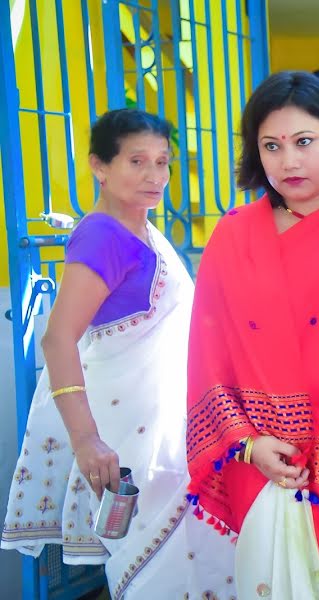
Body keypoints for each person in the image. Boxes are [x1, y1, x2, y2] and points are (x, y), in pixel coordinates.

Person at [185, 71, 319, 600]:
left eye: (303, 142)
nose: (289, 161)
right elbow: (207, 358)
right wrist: (248, 443)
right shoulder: (234, 235)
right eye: (272, 146)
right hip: (265, 455)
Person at [1, 109, 234, 598]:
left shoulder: (144, 231)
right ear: (99, 167)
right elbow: (58, 338)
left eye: (163, 162)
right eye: (137, 161)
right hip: (127, 440)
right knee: (157, 572)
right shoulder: (104, 236)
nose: (155, 176)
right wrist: (85, 439)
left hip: (168, 431)